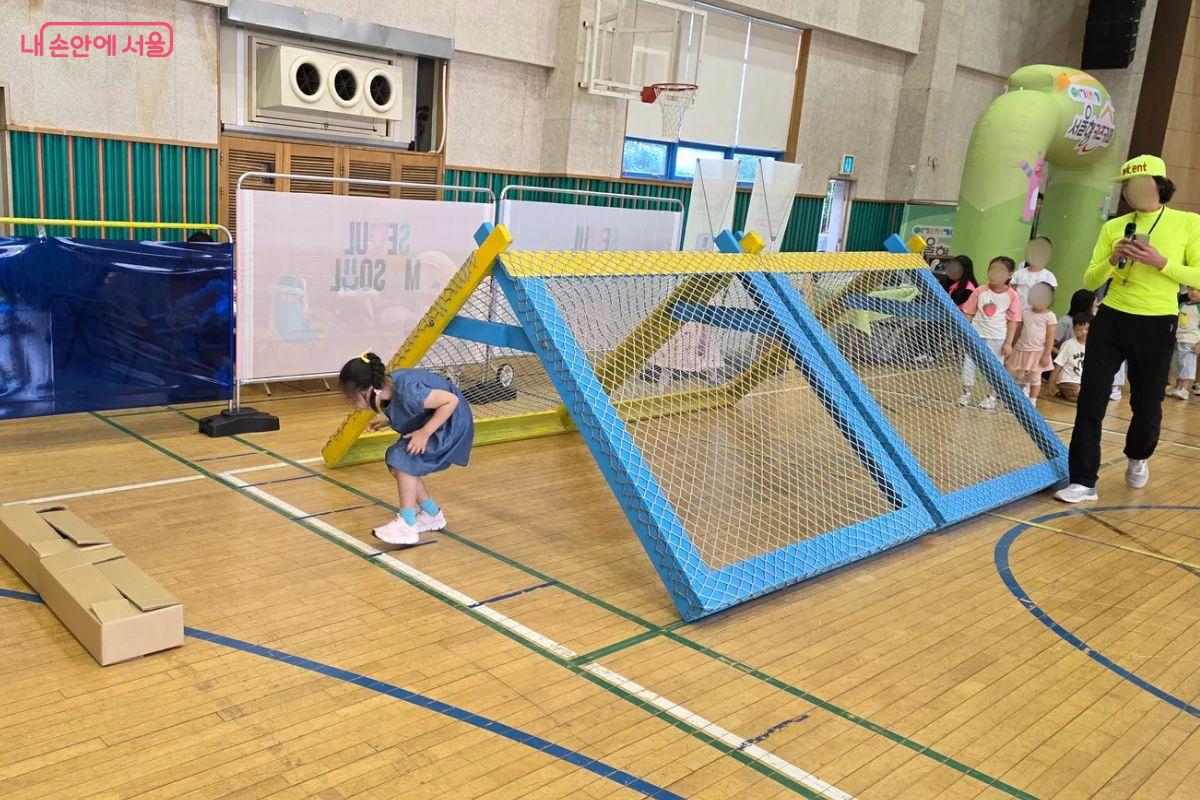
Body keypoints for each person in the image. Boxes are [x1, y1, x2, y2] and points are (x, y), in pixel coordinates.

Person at [1055, 155, 1200, 503]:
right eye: (1127, 186)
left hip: (1157, 321)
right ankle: (1084, 480)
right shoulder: (1113, 226)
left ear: (1159, 185)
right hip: (1111, 318)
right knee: (1091, 399)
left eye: (1140, 184)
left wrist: (1161, 263)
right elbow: (1089, 280)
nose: (1132, 191)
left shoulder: (1188, 223)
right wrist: (1111, 259)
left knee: (1147, 402)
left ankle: (1138, 455)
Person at [338, 352, 475, 543]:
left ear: (369, 390)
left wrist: (425, 432)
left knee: (402, 460)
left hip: (451, 425)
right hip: (437, 421)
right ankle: (431, 514)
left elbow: (451, 400)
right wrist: (387, 421)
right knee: (398, 463)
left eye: (352, 398)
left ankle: (407, 524)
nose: (350, 402)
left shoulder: (410, 392)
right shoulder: (387, 389)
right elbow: (410, 406)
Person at [958, 256, 1021, 410]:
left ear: (1010, 274)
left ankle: (991, 397)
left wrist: (1008, 343)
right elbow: (969, 314)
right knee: (969, 365)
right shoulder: (980, 291)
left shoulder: (1012, 295)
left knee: (994, 369)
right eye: (992, 270)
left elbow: (1013, 321)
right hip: (975, 336)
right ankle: (966, 394)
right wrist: (964, 333)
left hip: (997, 338)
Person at [1006, 282, 1057, 400]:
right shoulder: (1025, 313)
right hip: (1021, 349)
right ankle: (1018, 399)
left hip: (1037, 352)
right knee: (1019, 376)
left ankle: (1032, 400)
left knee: (1035, 377)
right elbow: (1018, 333)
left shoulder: (1050, 316)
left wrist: (1046, 355)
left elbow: (1050, 338)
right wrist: (1012, 346)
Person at [1167, 287, 1200, 399]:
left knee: (1187, 365)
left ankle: (1184, 389)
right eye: (1191, 289)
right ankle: (1178, 386)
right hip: (1178, 338)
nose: (1193, 292)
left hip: (1191, 340)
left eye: (1198, 290)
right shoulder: (1182, 305)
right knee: (1177, 364)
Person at [1050, 313, 1091, 402]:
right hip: (1068, 380)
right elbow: (1058, 364)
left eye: (1087, 329)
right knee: (1079, 393)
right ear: (1074, 329)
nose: (1083, 332)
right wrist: (1051, 383)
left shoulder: (1092, 346)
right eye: (1080, 329)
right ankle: (1062, 392)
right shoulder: (1069, 345)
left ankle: (1065, 393)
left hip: (1081, 380)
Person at [1011, 236, 1058, 312]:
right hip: (1019, 315)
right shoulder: (1019, 274)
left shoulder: (1049, 277)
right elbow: (1012, 292)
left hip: (1037, 317)